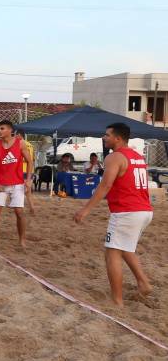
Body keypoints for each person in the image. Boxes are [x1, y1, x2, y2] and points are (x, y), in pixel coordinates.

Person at [74, 123, 153, 307]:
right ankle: (143, 282)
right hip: (144, 210)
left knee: (111, 254)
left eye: (107, 135)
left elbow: (105, 185)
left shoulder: (114, 157)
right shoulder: (137, 156)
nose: (104, 137)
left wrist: (85, 210)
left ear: (118, 138)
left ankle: (117, 300)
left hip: (127, 211)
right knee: (125, 248)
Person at [0, 121, 34, 248]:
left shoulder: (20, 143)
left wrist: (28, 179)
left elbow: (30, 161)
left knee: (19, 212)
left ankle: (22, 240)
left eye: (2, 128)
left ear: (10, 130)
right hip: (1, 184)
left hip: (17, 183)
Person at [14, 128, 36, 215]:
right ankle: (32, 207)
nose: (15, 137)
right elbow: (33, 159)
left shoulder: (20, 144)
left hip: (22, 169)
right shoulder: (30, 145)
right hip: (30, 170)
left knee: (19, 190)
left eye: (16, 135)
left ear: (19, 135)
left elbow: (21, 158)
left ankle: (20, 207)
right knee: (28, 191)